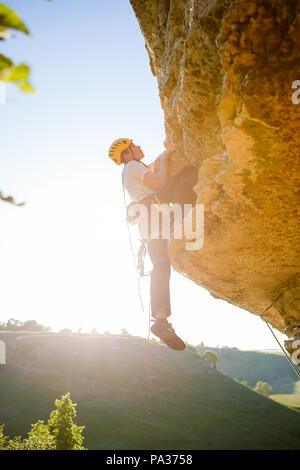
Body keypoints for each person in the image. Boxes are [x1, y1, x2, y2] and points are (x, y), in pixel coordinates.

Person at [108, 138, 198, 351]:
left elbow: (151, 168)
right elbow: (158, 182)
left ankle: (160, 320)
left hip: (149, 225)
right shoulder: (132, 166)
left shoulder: (132, 169)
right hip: (155, 214)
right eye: (134, 145)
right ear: (127, 153)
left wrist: (163, 156)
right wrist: (166, 157)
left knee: (161, 267)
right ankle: (184, 219)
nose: (139, 146)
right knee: (188, 174)